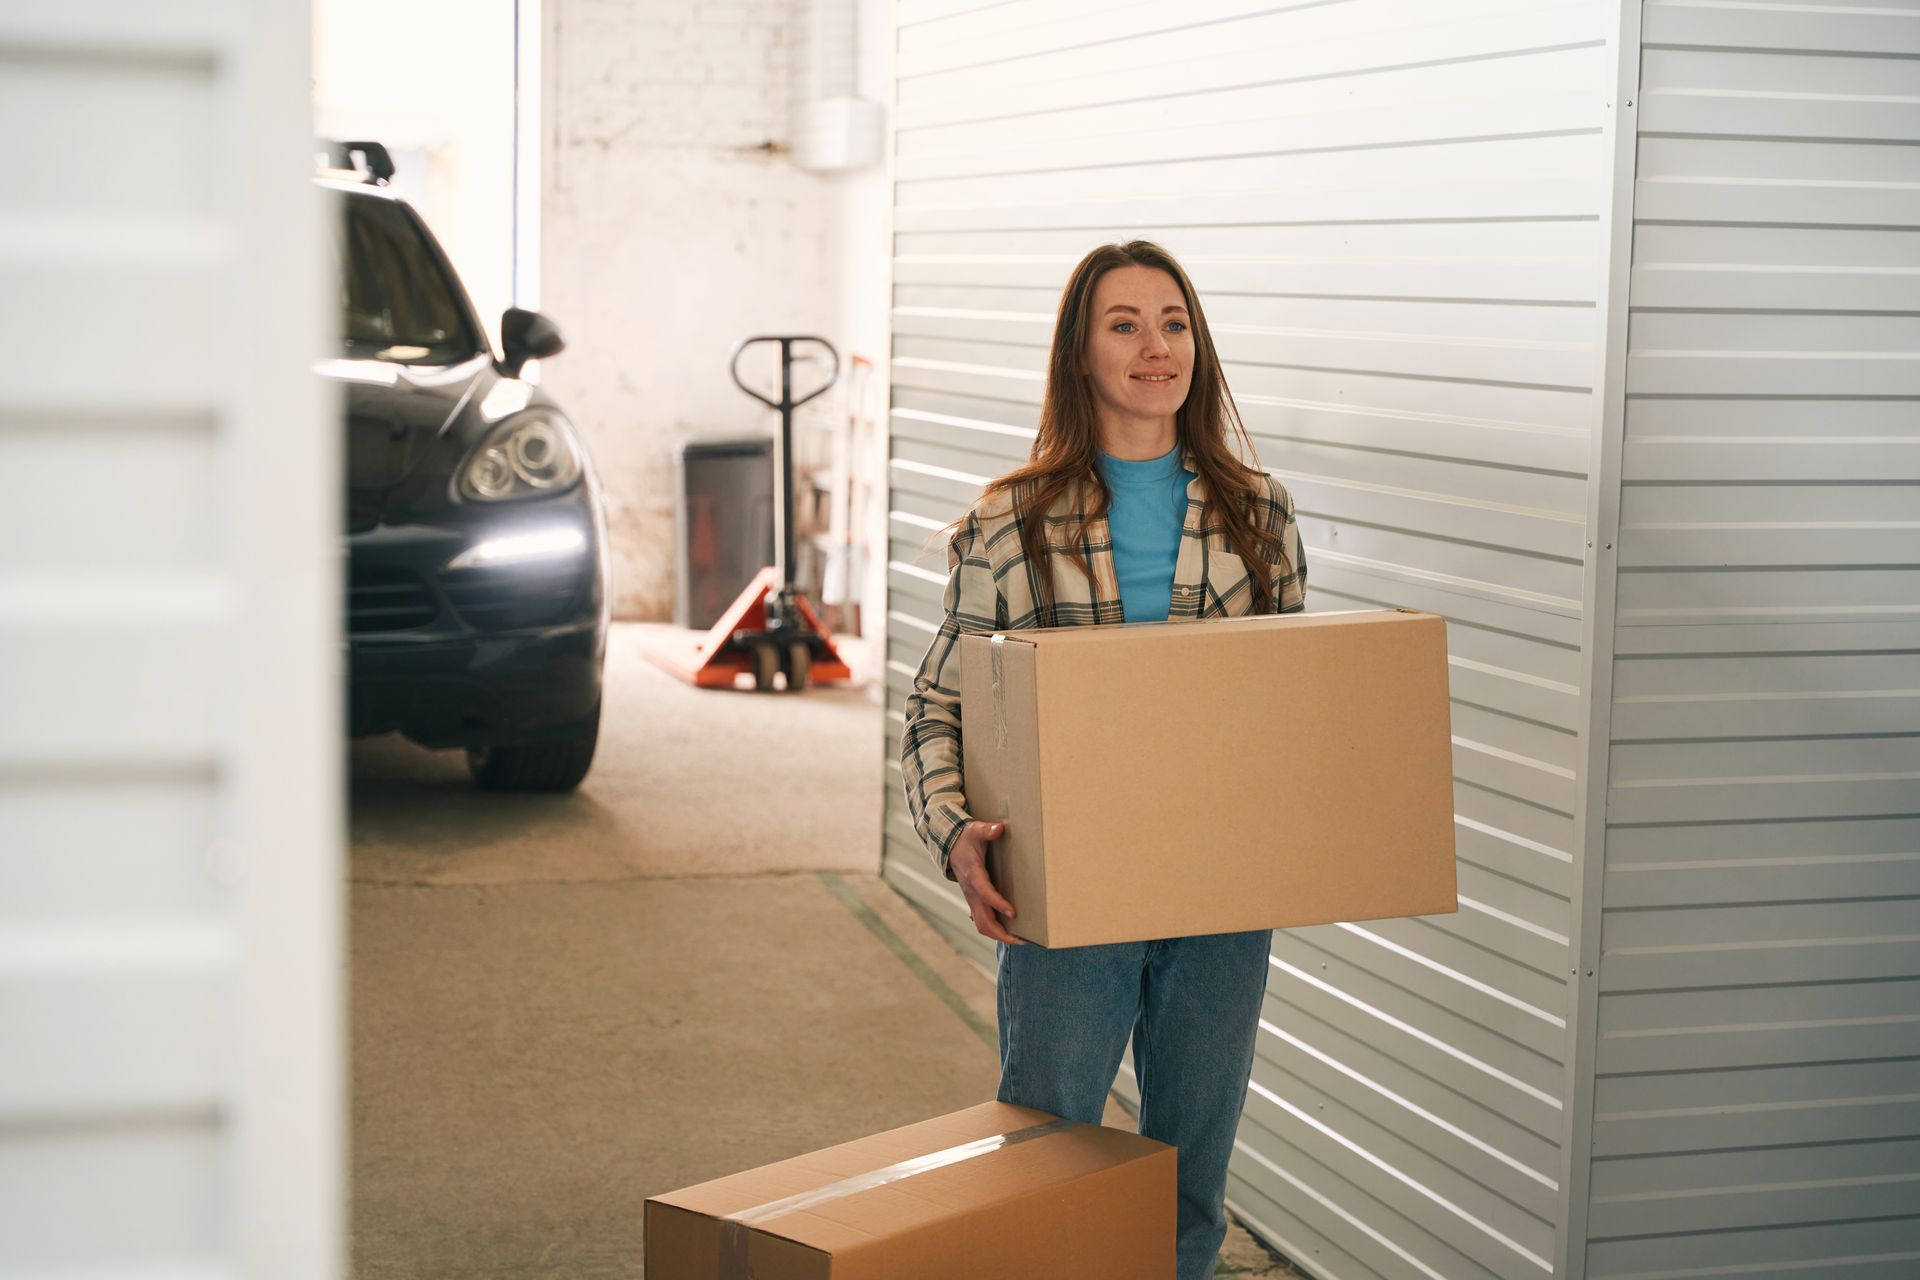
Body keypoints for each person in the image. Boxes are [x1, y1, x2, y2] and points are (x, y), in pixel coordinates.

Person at [899, 240, 1308, 1280]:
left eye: (1173, 322)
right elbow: (938, 705)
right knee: (1048, 1161)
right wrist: (958, 837)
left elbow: (1298, 706)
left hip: (1219, 888)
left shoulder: (1259, 515)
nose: (1154, 345)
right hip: (1071, 879)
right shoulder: (1011, 522)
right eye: (1123, 323)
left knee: (1190, 1176)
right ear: (1080, 354)